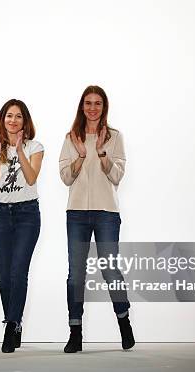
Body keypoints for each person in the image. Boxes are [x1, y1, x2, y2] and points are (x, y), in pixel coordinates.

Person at [59, 85, 134, 353]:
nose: (92, 108)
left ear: (104, 107)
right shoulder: (71, 137)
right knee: (75, 274)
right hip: (77, 213)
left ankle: (124, 323)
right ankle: (75, 332)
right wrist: (80, 155)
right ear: (82, 106)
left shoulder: (115, 137)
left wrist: (102, 152)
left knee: (110, 270)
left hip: (106, 213)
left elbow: (117, 176)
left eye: (98, 103)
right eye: (88, 103)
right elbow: (66, 177)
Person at [0, 99, 44, 353]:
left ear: (25, 120)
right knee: (4, 275)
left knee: (18, 272)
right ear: (3, 119)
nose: (13, 120)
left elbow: (31, 178)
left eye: (18, 116)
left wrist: (19, 151)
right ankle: (15, 321)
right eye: (9, 116)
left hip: (27, 215)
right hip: (0, 215)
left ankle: (11, 325)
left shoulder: (36, 146)